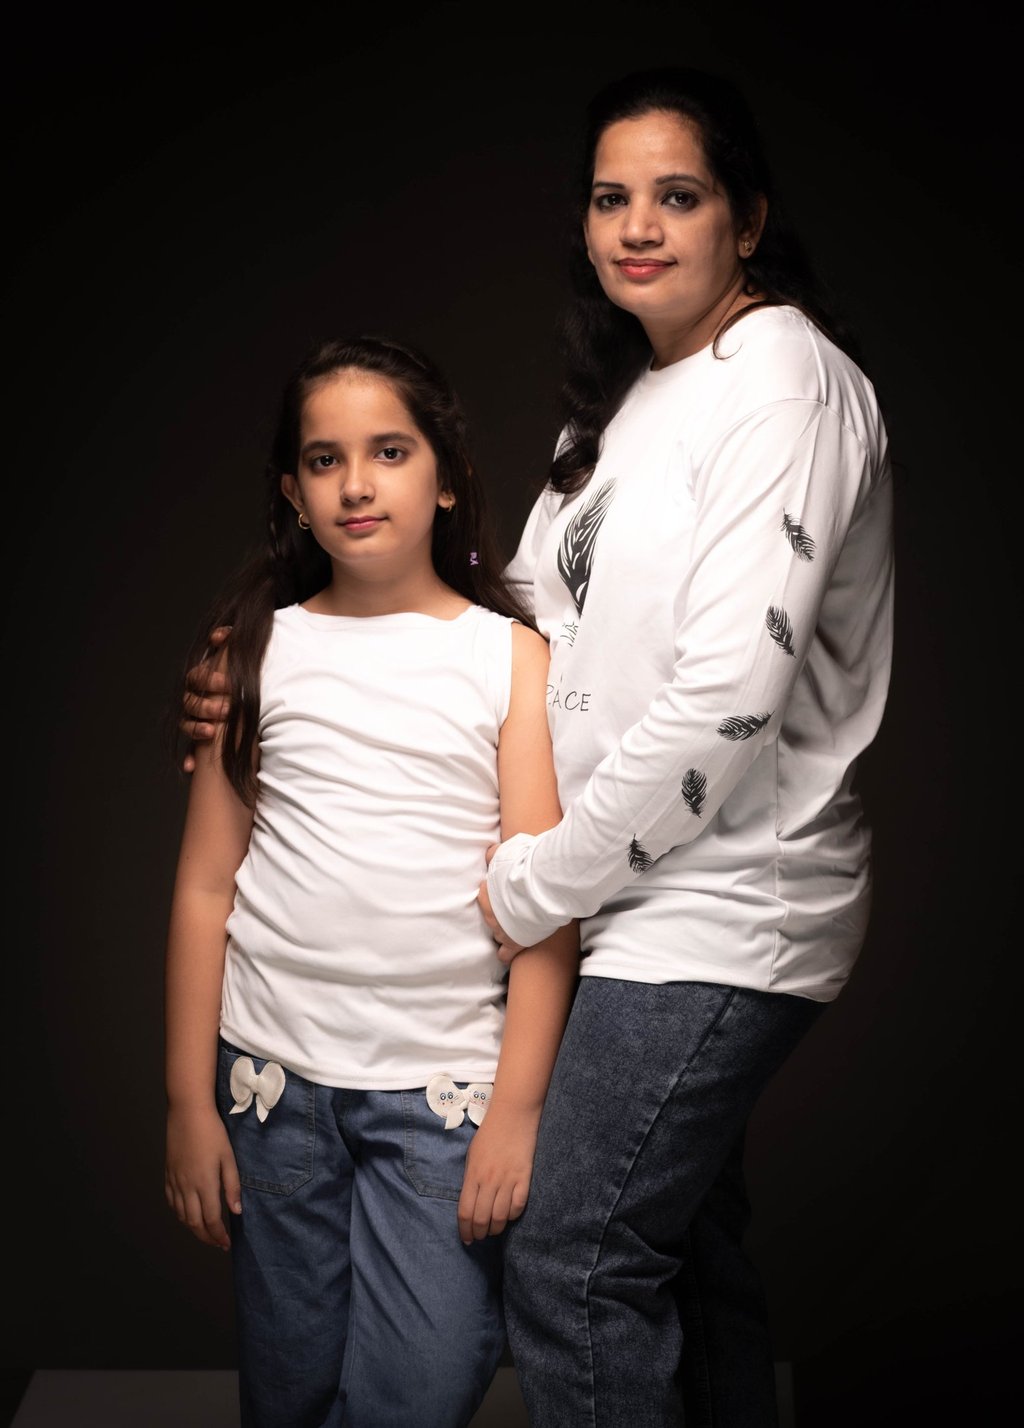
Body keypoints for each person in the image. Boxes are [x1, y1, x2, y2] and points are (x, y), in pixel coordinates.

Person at [181, 67, 895, 1428]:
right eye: (610, 197)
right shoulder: (621, 403)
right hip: (621, 901)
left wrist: (531, 886)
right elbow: (513, 628)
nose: (638, 225)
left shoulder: (785, 378)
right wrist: (258, 654)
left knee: (569, 1261)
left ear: (746, 217)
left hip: (718, 909)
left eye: (676, 196)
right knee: (686, 1259)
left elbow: (729, 697)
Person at [163, 334, 579, 1428]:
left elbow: (541, 904)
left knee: (419, 1380)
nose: (355, 483)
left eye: (389, 451)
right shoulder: (253, 652)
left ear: (445, 477)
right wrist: (184, 1103)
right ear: (292, 496)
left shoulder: (508, 657)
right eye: (322, 460)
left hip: (442, 1100)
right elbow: (207, 887)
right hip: (272, 1088)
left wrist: (518, 1111)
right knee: (290, 1381)